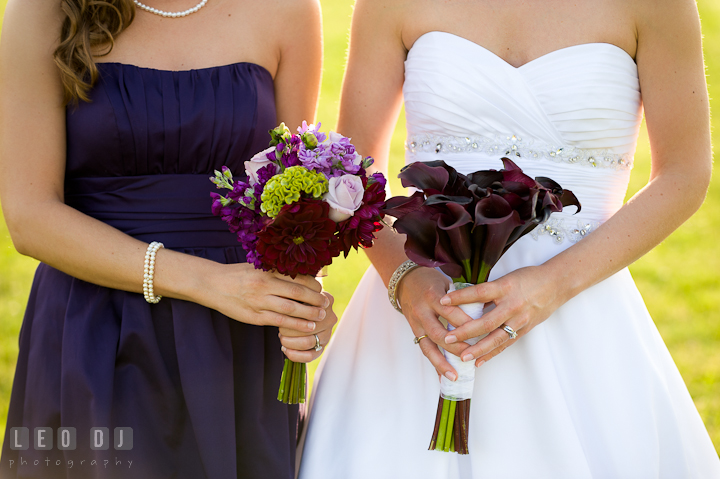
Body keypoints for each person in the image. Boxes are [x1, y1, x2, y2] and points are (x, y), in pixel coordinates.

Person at [299, 0, 720, 477]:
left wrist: (552, 286)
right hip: (425, 316)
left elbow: (684, 175)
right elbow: (352, 167)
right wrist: (406, 277)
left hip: (579, 311)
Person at [0, 0, 333, 477]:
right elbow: (29, 215)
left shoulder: (289, 9)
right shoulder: (45, 9)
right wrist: (205, 281)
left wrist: (303, 297)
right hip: (95, 326)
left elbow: (288, 195)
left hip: (239, 340)